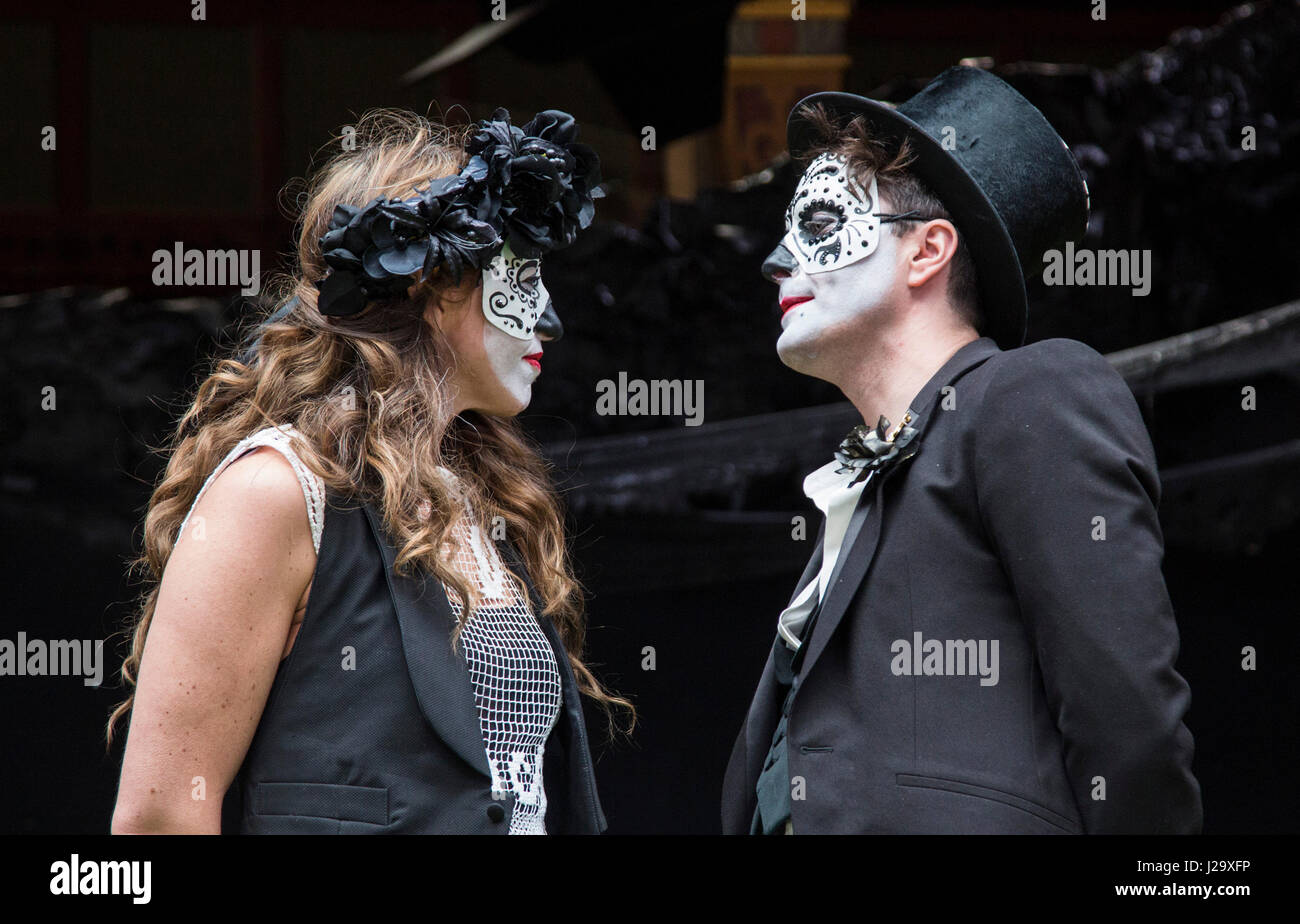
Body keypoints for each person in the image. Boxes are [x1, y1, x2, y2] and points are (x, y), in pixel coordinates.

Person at [108, 106, 631, 834]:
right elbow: (161, 815)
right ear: (429, 283)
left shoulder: (476, 498)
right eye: (521, 272)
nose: (549, 316)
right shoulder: (276, 490)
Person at [721, 65, 1202, 834]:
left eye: (814, 222)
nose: (778, 260)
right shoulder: (868, 478)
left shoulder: (1029, 393)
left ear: (927, 252)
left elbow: (1129, 724)